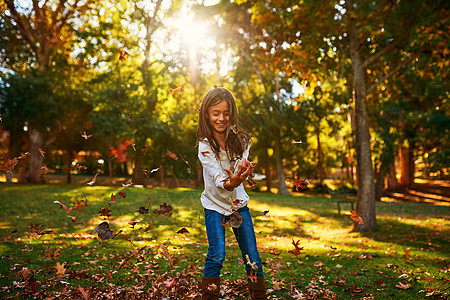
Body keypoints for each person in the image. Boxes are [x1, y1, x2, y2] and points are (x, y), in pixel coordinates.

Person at [196, 87, 267, 300]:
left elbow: (240, 167)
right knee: (217, 255)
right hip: (214, 206)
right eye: (216, 113)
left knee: (252, 256)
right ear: (206, 114)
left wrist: (242, 174)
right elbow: (220, 181)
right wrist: (233, 181)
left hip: (239, 206)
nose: (221, 118)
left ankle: (259, 296)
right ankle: (209, 296)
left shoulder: (243, 141)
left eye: (226, 113)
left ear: (232, 113)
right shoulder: (205, 146)